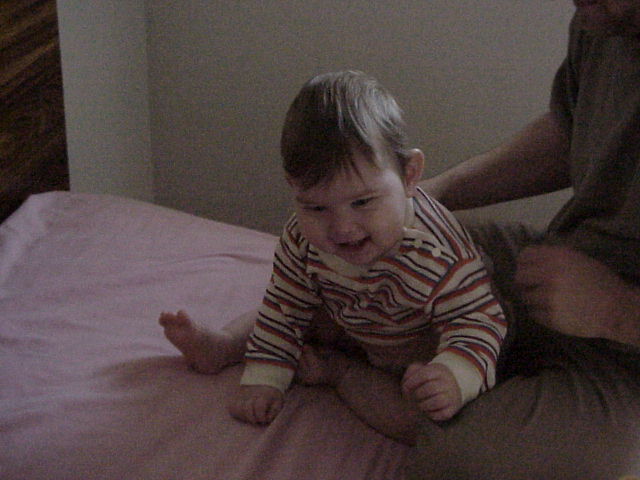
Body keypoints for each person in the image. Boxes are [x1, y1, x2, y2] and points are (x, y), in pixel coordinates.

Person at [159, 70, 507, 443]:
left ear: (410, 175)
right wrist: (264, 377)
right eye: (316, 208)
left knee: (418, 424)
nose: (342, 228)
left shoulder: (438, 252)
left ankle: (340, 373)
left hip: (419, 348)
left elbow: (480, 319)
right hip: (351, 317)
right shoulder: (302, 237)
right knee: (286, 311)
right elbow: (284, 307)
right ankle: (225, 345)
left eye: (363, 202)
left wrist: (454, 375)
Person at [405, 1, 640, 478]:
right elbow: (569, 131)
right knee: (384, 261)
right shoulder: (603, 17)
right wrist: (435, 195)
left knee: (466, 459)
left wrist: (616, 310)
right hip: (562, 273)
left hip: (627, 360)